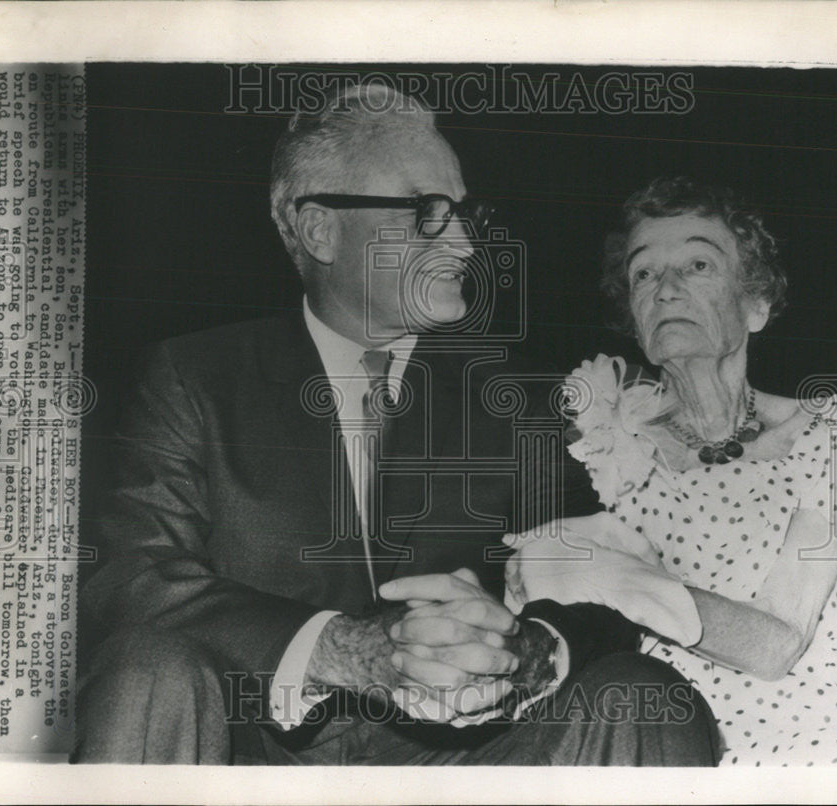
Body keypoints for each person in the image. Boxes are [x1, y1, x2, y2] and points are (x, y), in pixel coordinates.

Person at [73, 86, 720, 765]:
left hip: (468, 758)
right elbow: (132, 579)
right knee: (147, 667)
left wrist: (531, 651)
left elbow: (609, 586)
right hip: (251, 753)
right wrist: (340, 650)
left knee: (643, 693)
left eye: (465, 212)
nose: (467, 243)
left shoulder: (524, 397)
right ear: (321, 227)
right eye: (428, 211)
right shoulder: (194, 376)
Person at [505, 176, 837, 766]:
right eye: (644, 273)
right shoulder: (605, 448)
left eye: (698, 265)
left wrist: (617, 576)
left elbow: (776, 644)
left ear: (756, 304)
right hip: (658, 743)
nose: (666, 289)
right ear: (633, 314)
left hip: (824, 739)